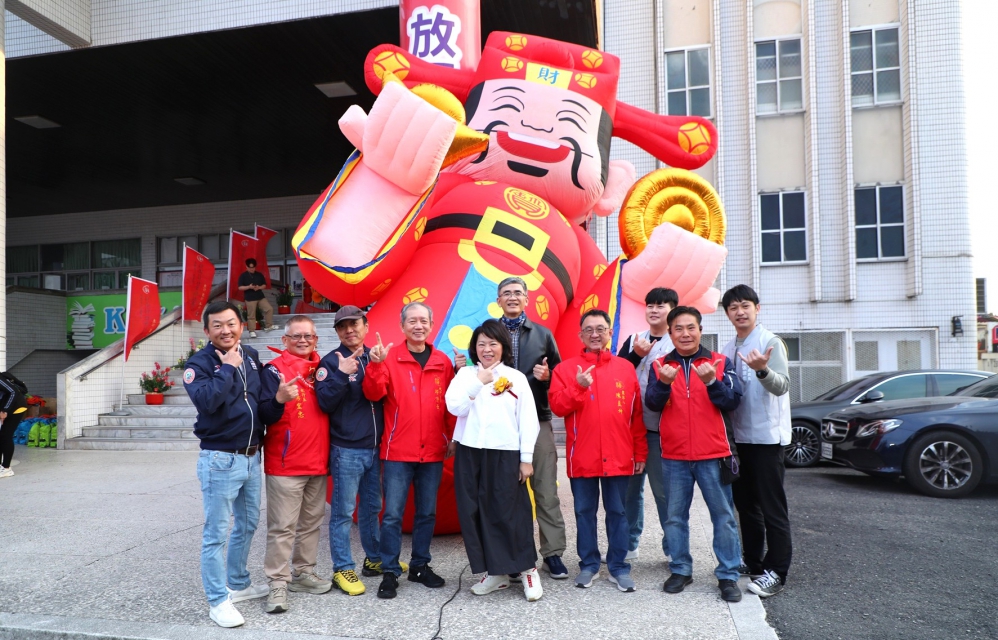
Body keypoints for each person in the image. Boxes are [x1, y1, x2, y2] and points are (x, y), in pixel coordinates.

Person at [184, 300, 297, 627]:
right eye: (217, 325)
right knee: (216, 533)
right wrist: (228, 368)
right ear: (207, 331)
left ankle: (237, 583)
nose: (226, 330)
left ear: (241, 326)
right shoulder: (199, 364)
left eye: (231, 323)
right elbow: (206, 402)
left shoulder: (251, 356)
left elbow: (261, 410)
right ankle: (217, 601)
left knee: (248, 524)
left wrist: (278, 400)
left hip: (251, 456)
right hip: (220, 459)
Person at [645, 306, 744, 603]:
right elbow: (652, 403)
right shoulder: (660, 365)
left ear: (701, 330)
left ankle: (728, 575)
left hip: (714, 453)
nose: (685, 334)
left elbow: (732, 401)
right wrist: (664, 383)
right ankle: (680, 569)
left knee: (723, 517)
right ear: (670, 333)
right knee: (675, 517)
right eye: (678, 328)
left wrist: (712, 381)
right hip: (674, 456)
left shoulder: (720, 362)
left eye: (691, 327)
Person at [548, 309, 647, 592]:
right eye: (589, 329)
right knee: (584, 512)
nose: (595, 334)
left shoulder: (625, 368)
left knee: (618, 512)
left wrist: (640, 453)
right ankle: (589, 564)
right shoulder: (566, 369)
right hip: (583, 455)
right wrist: (578, 387)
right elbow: (558, 407)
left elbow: (635, 415)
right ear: (580, 335)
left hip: (619, 454)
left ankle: (618, 567)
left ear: (610, 333)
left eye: (600, 329)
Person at [362, 302, 456, 599]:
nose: (418, 325)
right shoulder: (390, 358)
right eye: (412, 321)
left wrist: (451, 437)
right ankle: (390, 570)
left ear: (432, 325)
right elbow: (373, 393)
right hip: (397, 452)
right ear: (402, 326)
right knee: (392, 515)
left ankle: (419, 566)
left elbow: (450, 405)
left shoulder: (442, 361)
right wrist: (376, 365)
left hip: (433, 450)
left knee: (427, 513)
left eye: (423, 321)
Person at [445, 320, 543, 601]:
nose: (487, 349)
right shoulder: (465, 375)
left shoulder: (516, 377)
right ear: (474, 348)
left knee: (511, 512)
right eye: (481, 344)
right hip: (470, 452)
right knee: (474, 512)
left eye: (493, 344)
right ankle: (494, 573)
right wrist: (478, 382)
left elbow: (528, 420)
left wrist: (526, 459)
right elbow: (455, 407)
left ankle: (527, 570)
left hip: (505, 453)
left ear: (503, 347)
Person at [315, 305, 400, 597]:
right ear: (337, 332)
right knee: (343, 513)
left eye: (355, 324)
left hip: (374, 449)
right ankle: (342, 568)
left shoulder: (373, 356)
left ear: (366, 326)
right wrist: (341, 375)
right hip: (346, 449)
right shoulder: (331, 361)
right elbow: (324, 403)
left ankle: (374, 559)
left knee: (372, 508)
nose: (349, 330)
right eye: (342, 326)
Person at [494, 276, 569, 580]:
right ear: (498, 300)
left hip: (537, 419)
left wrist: (548, 377)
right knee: (507, 494)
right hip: (500, 423)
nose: (512, 297)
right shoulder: (488, 333)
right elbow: (478, 371)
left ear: (526, 299)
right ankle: (513, 556)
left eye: (518, 293)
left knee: (546, 490)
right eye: (506, 293)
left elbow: (560, 376)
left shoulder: (543, 334)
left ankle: (553, 553)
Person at [720, 285, 793, 598]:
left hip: (767, 439)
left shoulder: (770, 342)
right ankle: (753, 560)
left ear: (757, 308)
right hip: (740, 439)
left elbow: (782, 386)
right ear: (727, 313)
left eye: (745, 305)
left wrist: (762, 370)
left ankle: (777, 571)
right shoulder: (728, 347)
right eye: (733, 307)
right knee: (746, 506)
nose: (740, 312)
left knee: (772, 508)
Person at [259, 315, 332, 613]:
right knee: (282, 528)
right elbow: (264, 414)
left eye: (308, 336)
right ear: (285, 340)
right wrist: (278, 399)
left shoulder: (324, 369)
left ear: (316, 339)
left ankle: (304, 573)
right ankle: (277, 583)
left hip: (318, 461)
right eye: (296, 336)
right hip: (286, 463)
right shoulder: (273, 370)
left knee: (311, 524)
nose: (303, 341)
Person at [615, 287, 678, 561]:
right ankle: (629, 544)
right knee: (630, 491)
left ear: (672, 310)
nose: (654, 310)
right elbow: (615, 374)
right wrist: (636, 355)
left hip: (660, 430)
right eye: (650, 305)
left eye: (661, 305)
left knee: (664, 493)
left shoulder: (676, 342)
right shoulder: (634, 339)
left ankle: (673, 547)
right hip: (629, 429)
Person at [237, 258, 277, 338]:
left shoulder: (259, 274)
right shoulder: (243, 276)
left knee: (269, 309)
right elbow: (240, 287)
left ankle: (269, 325)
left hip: (260, 296)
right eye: (250, 267)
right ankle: (252, 331)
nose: (252, 269)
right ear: (246, 267)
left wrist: (259, 287)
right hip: (250, 298)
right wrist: (249, 287)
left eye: (253, 267)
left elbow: (264, 285)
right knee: (251, 315)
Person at [0, 372, 29, 479]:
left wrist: (5, 410)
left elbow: (13, 392)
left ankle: (6, 468)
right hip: (5, 408)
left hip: (16, 408)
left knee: (5, 436)